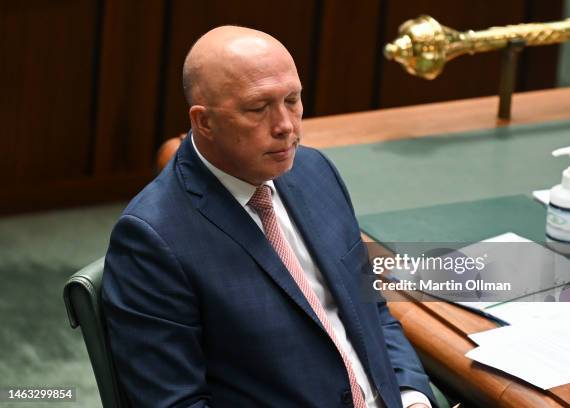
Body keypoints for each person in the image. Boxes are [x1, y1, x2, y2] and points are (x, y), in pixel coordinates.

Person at [102, 26, 436, 408]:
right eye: (258, 108)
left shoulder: (315, 171)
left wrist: (412, 397)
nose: (286, 126)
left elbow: (369, 306)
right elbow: (176, 403)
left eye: (292, 100)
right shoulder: (151, 238)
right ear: (203, 121)